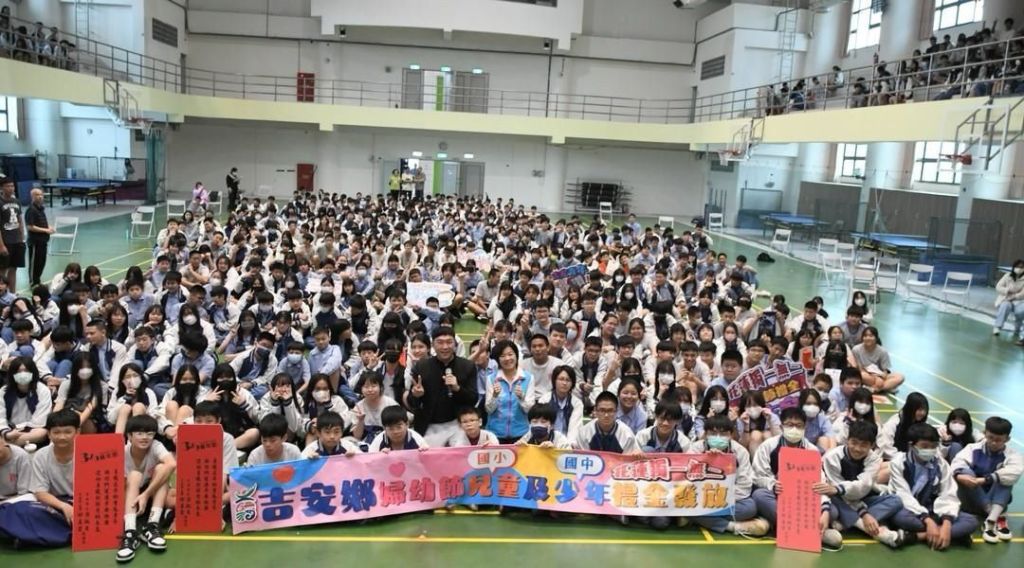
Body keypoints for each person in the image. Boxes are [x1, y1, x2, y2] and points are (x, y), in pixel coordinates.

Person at [751, 407, 842, 549]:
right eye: (789, 425)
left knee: (833, 511)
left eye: (798, 426)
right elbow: (757, 476)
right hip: (778, 496)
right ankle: (811, 531)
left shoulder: (812, 450)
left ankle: (785, 526)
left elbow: (820, 483)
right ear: (781, 427)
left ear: (805, 427)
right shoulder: (768, 446)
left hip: (803, 498)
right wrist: (773, 484)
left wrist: (825, 510)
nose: (794, 429)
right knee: (759, 495)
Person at [889, 423, 979, 549]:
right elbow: (903, 495)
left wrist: (947, 523)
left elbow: (948, 493)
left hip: (932, 508)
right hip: (909, 509)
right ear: (911, 445)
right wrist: (927, 520)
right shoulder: (898, 462)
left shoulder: (941, 463)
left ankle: (919, 536)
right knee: (899, 517)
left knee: (971, 521)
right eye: (924, 446)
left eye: (934, 446)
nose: (930, 450)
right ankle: (952, 534)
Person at [820, 421, 904, 548]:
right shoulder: (832, 457)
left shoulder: (874, 459)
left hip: (859, 498)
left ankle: (848, 522)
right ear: (847, 440)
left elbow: (862, 486)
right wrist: (864, 513)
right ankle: (876, 531)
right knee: (834, 501)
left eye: (864, 445)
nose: (857, 449)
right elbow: (836, 491)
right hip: (838, 499)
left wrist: (864, 513)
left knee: (896, 501)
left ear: (872, 445)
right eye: (854, 443)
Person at [690, 414, 768, 536]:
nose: (718, 437)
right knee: (686, 506)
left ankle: (699, 518)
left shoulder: (740, 452)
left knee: (749, 507)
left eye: (723, 434)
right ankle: (734, 527)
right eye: (713, 433)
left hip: (729, 499)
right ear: (705, 434)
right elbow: (687, 479)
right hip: (702, 498)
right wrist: (706, 459)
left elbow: (744, 486)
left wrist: (721, 498)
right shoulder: (696, 449)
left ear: (731, 435)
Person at [951, 416, 1021, 544]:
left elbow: (1014, 472)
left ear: (1007, 439)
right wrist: (959, 476)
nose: (994, 442)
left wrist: (985, 480)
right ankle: (995, 515)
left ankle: (990, 522)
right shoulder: (972, 448)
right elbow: (957, 463)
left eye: (999, 440)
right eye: (990, 438)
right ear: (984, 433)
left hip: (996, 500)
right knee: (965, 472)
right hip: (971, 500)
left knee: (1005, 477)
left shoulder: (1012, 455)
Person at [407, 326, 478, 447]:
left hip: (457, 424)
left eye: (449, 342)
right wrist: (416, 395)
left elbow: (473, 399)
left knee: (461, 453)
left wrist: (457, 388)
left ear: (455, 345)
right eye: (440, 342)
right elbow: (412, 403)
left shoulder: (467, 366)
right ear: (432, 345)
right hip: (429, 424)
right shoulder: (421, 367)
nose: (445, 347)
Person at [117, 415, 175, 563]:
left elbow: (172, 464)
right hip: (128, 498)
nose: (145, 437)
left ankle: (152, 525)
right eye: (139, 433)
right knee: (134, 475)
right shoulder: (121, 452)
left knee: (162, 468)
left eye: (150, 433)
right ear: (129, 436)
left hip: (151, 496)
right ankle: (130, 532)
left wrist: (146, 494)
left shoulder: (155, 446)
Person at [574, 391, 640, 454]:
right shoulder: (584, 432)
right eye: (602, 410)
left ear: (616, 411)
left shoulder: (627, 435)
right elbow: (582, 458)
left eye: (610, 411)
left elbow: (628, 460)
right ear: (595, 410)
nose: (606, 415)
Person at [0, 177, 25, 292]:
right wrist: (1, 245)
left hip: (17, 241)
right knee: (2, 270)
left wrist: (22, 238)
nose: (11, 188)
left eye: (12, 186)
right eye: (8, 186)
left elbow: (20, 220)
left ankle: (12, 294)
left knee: (13, 268)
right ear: (2, 188)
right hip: (5, 241)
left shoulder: (17, 202)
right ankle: (2, 294)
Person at [25, 187, 54, 288]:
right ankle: (33, 282)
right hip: (35, 242)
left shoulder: (41, 209)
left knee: (41, 262)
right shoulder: (31, 210)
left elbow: (41, 224)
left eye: (41, 195)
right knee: (34, 263)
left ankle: (38, 280)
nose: (40, 197)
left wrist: (49, 227)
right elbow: (30, 226)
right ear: (32, 196)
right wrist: (45, 230)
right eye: (37, 195)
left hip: (43, 241)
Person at [993, 260, 1024, 340]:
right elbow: (998, 287)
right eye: (1017, 267)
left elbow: (1023, 293)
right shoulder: (1007, 275)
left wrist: (1014, 296)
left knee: (1020, 311)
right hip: (1005, 298)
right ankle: (997, 327)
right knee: (1004, 306)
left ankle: (1017, 328)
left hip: (1019, 301)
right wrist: (1007, 290)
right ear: (1014, 267)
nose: (1019, 269)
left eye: (1021, 267)